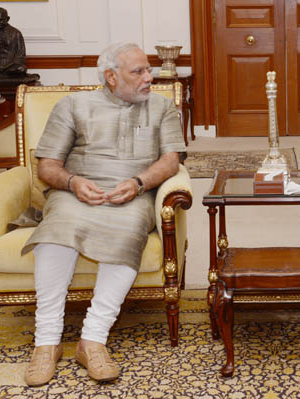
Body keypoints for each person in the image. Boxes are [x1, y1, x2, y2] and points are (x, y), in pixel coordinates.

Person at [21, 42, 186, 386]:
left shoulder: (162, 107)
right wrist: (73, 182)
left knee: (127, 232)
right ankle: (46, 342)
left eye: (148, 69)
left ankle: (92, 339)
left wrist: (140, 182)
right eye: (138, 71)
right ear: (111, 77)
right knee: (56, 232)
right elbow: (47, 167)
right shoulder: (73, 105)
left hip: (132, 194)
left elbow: (172, 160)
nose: (149, 77)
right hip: (75, 192)